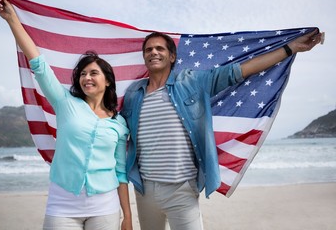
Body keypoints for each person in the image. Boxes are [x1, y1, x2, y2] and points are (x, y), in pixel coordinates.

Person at [121, 28, 322, 229]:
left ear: (172, 56)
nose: (153, 52)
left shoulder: (192, 82)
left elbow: (239, 71)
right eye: (148, 50)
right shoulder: (133, 94)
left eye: (159, 48)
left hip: (181, 190)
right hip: (144, 190)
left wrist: (291, 47)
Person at [0, 0, 132, 230]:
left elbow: (120, 172)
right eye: (82, 74)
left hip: (105, 205)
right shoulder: (64, 101)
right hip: (63, 203)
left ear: (108, 81)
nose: (86, 78)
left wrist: (127, 216)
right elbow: (39, 64)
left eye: (93, 73)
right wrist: (13, 21)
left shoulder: (119, 123)